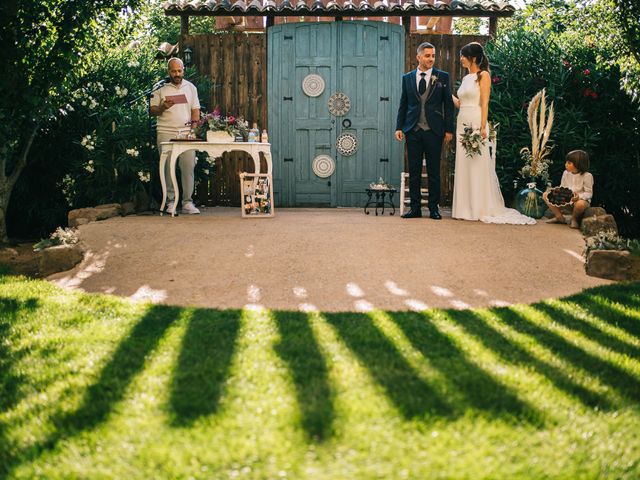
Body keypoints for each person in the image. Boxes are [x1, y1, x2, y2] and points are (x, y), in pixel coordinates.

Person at [451, 42, 535, 225]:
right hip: (462, 120)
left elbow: (485, 102)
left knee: (476, 163)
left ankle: (479, 207)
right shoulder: (466, 78)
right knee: (464, 163)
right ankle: (464, 208)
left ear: (473, 58)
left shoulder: (484, 75)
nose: (461, 59)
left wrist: (482, 127)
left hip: (475, 120)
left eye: (463, 55)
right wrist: (445, 93)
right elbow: (460, 103)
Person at [395, 42, 454, 219]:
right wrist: (399, 127)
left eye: (433, 56)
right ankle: (415, 209)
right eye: (427, 56)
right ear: (418, 57)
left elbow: (448, 106)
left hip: (434, 130)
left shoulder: (442, 77)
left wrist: (449, 129)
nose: (431, 59)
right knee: (414, 171)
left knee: (434, 171)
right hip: (413, 130)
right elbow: (403, 104)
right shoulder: (407, 78)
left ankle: (434, 208)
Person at [150, 57, 201, 214]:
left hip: (186, 132)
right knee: (167, 167)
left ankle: (187, 202)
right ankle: (171, 202)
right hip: (165, 131)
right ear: (168, 71)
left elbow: (195, 111)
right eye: (173, 71)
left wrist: (193, 130)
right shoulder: (159, 87)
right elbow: (152, 111)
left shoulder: (191, 87)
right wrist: (162, 107)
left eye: (179, 70)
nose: (177, 74)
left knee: (188, 166)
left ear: (183, 70)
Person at [543, 150, 594, 228]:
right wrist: (555, 191)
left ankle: (574, 219)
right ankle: (559, 217)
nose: (565, 164)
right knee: (546, 195)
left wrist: (578, 197)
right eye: (566, 162)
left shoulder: (587, 176)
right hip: (567, 198)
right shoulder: (566, 173)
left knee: (580, 204)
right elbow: (562, 187)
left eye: (569, 163)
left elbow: (589, 193)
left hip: (579, 200)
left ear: (578, 164)